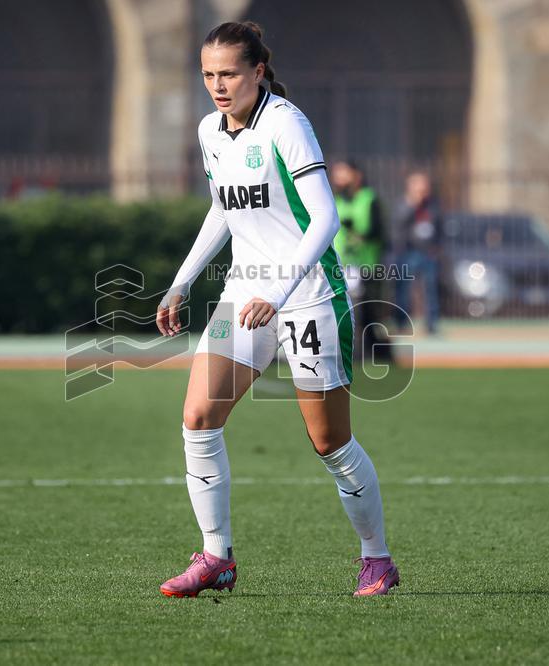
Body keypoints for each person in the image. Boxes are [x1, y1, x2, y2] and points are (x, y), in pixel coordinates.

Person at [155, 21, 399, 598]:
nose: (218, 85)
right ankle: (217, 557)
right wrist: (180, 284)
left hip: (308, 292)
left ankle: (377, 559)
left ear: (258, 72)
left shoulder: (287, 123)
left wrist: (281, 292)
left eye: (229, 73)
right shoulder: (210, 131)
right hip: (245, 292)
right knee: (197, 419)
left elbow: (325, 220)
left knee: (329, 443)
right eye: (209, 74)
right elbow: (224, 210)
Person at [331, 160, 388, 359]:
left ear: (356, 175)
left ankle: (374, 353)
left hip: (366, 266)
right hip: (339, 267)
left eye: (343, 174)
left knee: (368, 314)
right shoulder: (335, 200)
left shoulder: (368, 198)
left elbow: (378, 231)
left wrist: (358, 234)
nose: (338, 179)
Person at [390, 171, 442, 334]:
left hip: (428, 253)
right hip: (408, 252)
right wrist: (414, 204)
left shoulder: (433, 204)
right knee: (403, 289)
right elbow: (399, 224)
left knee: (431, 289)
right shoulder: (403, 204)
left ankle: (431, 324)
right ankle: (401, 323)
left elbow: (440, 226)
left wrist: (437, 247)